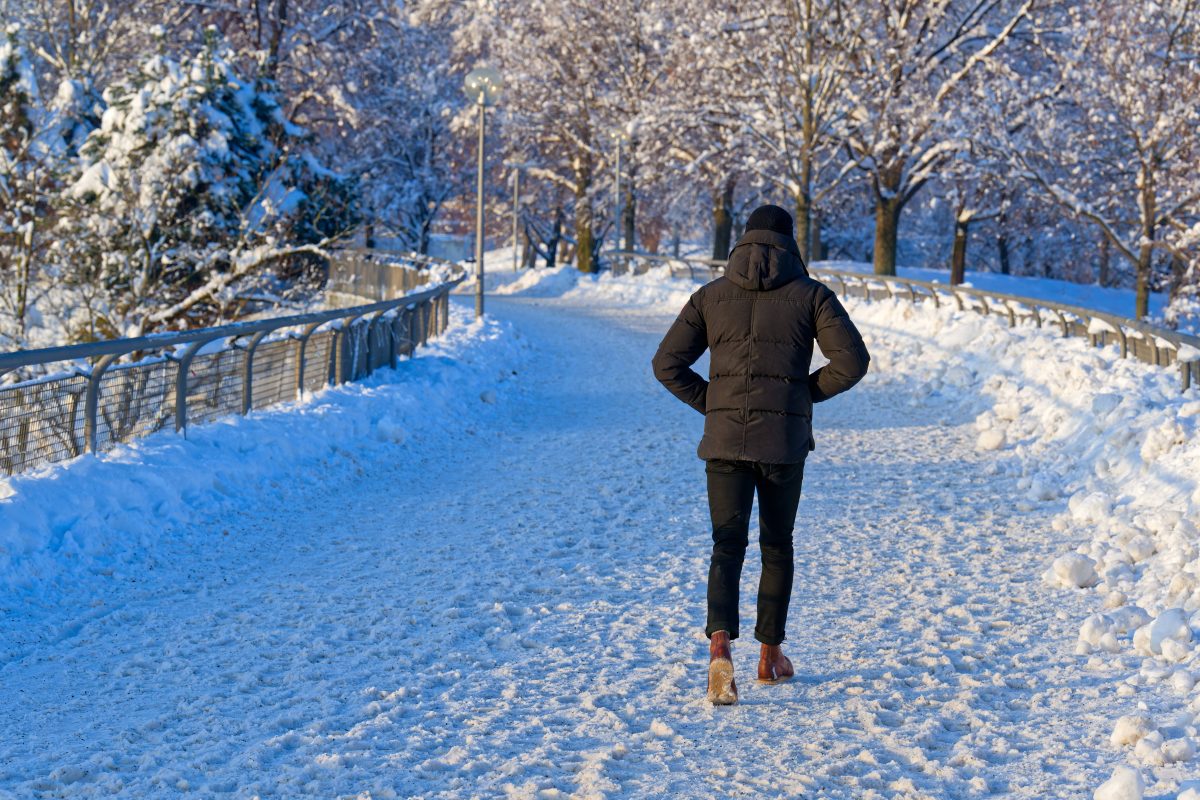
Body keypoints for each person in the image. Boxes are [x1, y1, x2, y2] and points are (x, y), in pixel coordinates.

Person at [651, 204, 870, 705]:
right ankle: (769, 657)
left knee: (726, 544)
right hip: (783, 445)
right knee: (777, 545)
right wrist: (802, 396)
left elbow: (666, 363)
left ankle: (720, 647)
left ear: (743, 240)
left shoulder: (710, 295)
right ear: (791, 243)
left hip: (725, 440)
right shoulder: (812, 295)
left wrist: (713, 402)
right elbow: (853, 361)